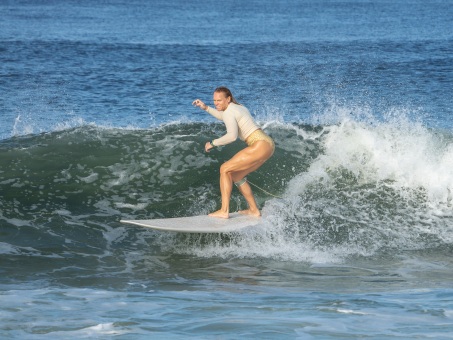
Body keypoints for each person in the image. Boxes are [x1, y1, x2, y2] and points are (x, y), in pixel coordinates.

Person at [192, 86, 275, 219]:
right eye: (214, 100)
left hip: (259, 143)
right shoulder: (237, 107)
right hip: (267, 144)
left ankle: (224, 210)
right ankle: (254, 210)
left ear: (228, 99)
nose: (216, 103)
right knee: (236, 176)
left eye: (219, 100)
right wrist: (206, 108)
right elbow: (223, 116)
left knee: (224, 169)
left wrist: (213, 143)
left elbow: (232, 136)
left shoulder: (230, 111)